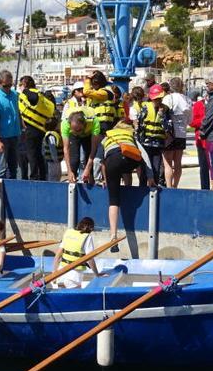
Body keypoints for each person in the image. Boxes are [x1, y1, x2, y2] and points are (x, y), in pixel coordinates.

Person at [100, 121, 155, 251]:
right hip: (131, 161)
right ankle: (134, 185)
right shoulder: (130, 137)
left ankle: (113, 235)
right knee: (133, 162)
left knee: (113, 201)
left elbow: (98, 161)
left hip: (112, 162)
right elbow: (145, 156)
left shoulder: (106, 138)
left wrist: (101, 179)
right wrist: (150, 177)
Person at [17, 76, 54, 181]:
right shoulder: (40, 94)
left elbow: (34, 99)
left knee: (32, 154)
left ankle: (34, 176)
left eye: (21, 85)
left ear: (24, 85)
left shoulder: (29, 94)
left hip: (32, 128)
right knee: (39, 154)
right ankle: (42, 175)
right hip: (41, 128)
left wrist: (25, 90)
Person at [0, 70, 22, 179]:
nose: (8, 88)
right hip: (2, 138)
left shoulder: (15, 95)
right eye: (5, 86)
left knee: (14, 168)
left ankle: (13, 191)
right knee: (1, 169)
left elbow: (19, 114)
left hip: (15, 136)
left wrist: (22, 129)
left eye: (10, 85)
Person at [52, 217, 100, 289]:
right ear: (91, 228)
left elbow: (57, 256)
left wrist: (54, 273)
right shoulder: (87, 237)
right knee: (73, 299)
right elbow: (90, 259)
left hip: (61, 273)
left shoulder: (68, 232)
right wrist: (97, 274)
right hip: (74, 277)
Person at [162, 77, 192, 188]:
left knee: (168, 163)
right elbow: (190, 120)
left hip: (169, 134)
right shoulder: (188, 100)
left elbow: (162, 114)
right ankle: (175, 186)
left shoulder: (168, 98)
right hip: (182, 134)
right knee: (178, 163)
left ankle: (169, 187)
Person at [137, 84, 168, 185]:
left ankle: (153, 191)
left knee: (155, 169)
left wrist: (162, 116)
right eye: (156, 99)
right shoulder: (145, 107)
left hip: (158, 144)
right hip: (145, 144)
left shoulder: (166, 109)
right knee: (144, 169)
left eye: (160, 98)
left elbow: (168, 128)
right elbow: (139, 125)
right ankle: (142, 189)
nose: (158, 101)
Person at [62, 110, 101, 184]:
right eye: (75, 130)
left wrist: (87, 169)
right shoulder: (65, 124)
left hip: (88, 133)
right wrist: (69, 171)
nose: (77, 132)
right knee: (74, 160)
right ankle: (72, 182)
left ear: (84, 124)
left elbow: (93, 149)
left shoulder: (94, 121)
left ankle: (90, 182)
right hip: (72, 134)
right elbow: (66, 149)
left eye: (79, 130)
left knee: (88, 159)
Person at [189, 93, 210, 190]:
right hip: (201, 141)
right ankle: (205, 188)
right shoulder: (198, 105)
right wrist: (205, 120)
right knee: (203, 167)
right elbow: (192, 122)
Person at [42, 117, 63, 182]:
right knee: (53, 176)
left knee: (58, 175)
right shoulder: (51, 136)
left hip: (55, 160)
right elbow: (52, 148)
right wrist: (55, 158)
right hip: (53, 160)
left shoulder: (53, 135)